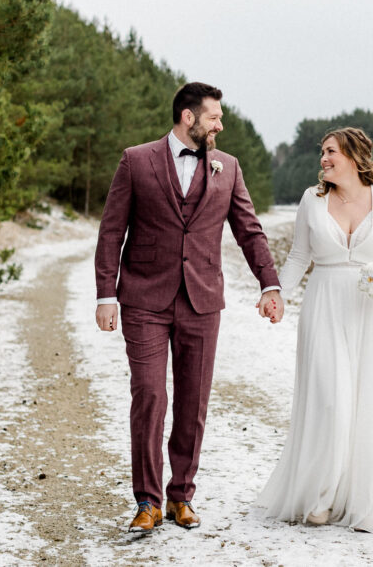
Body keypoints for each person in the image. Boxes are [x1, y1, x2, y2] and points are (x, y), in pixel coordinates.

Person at [95, 82, 285, 534]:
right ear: (188, 117)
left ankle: (182, 495)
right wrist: (106, 294)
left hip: (202, 301)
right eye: (215, 117)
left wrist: (270, 283)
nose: (221, 125)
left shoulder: (229, 167)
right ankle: (147, 500)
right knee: (150, 396)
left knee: (192, 402)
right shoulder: (136, 160)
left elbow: (250, 231)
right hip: (143, 298)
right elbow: (110, 231)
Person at [257, 127, 373, 535]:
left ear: (353, 156)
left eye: (330, 152)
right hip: (324, 305)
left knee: (370, 401)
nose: (323, 159)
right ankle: (322, 496)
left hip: (369, 312)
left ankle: (365, 499)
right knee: (331, 399)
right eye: (322, 152)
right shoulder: (313, 200)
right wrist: (275, 292)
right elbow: (297, 256)